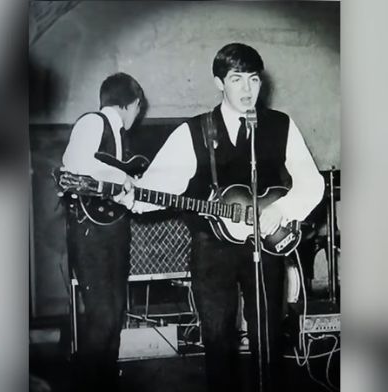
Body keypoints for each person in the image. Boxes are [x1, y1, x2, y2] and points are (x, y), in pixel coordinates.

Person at [117, 43, 324, 391]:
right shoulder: (194, 131)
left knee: (269, 338)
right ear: (219, 83)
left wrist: (281, 209)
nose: (247, 90)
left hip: (266, 245)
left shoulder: (280, 125)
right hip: (211, 248)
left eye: (254, 80)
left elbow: (313, 183)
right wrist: (132, 198)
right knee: (217, 340)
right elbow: (156, 185)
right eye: (236, 79)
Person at [61, 72, 144, 392]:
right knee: (102, 314)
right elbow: (76, 163)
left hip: (113, 231)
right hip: (91, 233)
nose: (137, 115)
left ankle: (105, 381)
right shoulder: (93, 122)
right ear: (133, 104)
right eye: (138, 108)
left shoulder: (120, 135)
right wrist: (120, 180)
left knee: (114, 311)